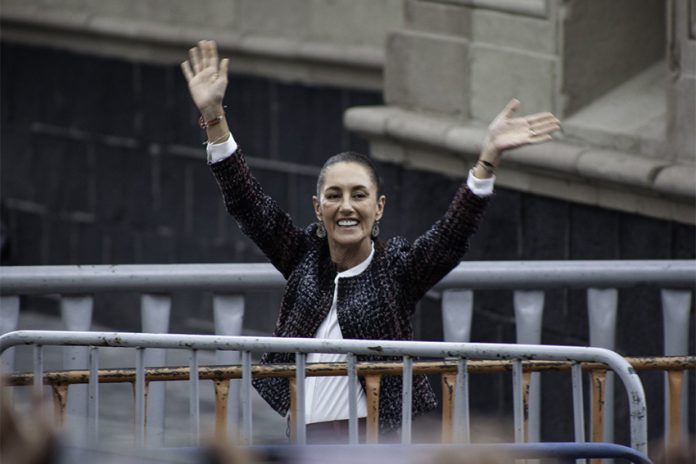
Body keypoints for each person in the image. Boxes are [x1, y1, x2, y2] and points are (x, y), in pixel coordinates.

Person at [181, 40, 560, 443]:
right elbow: (247, 202)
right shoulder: (302, 257)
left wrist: (488, 159)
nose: (346, 206)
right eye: (334, 195)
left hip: (375, 441)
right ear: (317, 207)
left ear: (378, 208)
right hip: (303, 442)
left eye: (358, 195)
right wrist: (214, 116)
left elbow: (452, 235)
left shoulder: (397, 270)